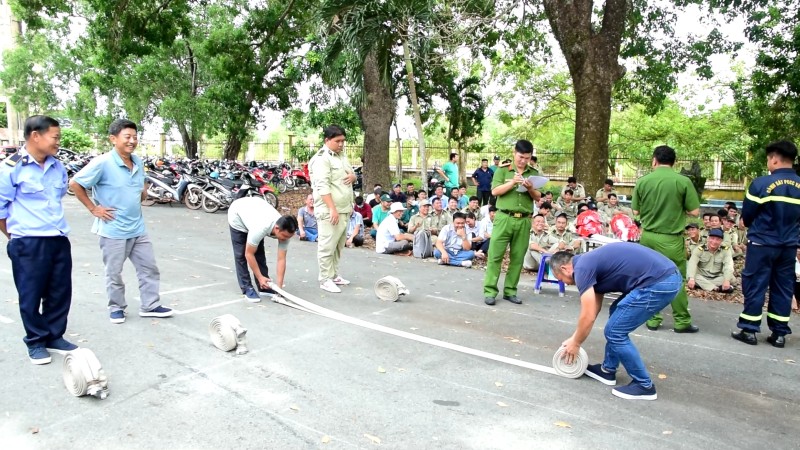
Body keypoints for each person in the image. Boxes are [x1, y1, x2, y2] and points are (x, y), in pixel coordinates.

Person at [71, 118, 174, 324]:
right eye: (127, 137)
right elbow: (75, 184)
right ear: (113, 139)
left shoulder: (137, 161)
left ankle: (150, 305)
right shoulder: (102, 163)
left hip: (137, 228)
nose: (132, 141)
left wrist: (142, 193)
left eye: (135, 137)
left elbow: (141, 186)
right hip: (113, 229)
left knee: (149, 268)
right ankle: (116, 307)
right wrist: (94, 208)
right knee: (114, 273)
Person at [552, 243, 682, 401]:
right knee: (616, 313)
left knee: (615, 331)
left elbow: (587, 315)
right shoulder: (588, 263)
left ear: (565, 268)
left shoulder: (582, 269)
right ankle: (607, 371)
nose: (564, 283)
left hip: (659, 281)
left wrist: (576, 343)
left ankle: (644, 386)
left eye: (561, 279)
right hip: (665, 277)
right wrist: (574, 338)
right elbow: (593, 308)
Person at [0, 115, 77, 364]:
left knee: (60, 291)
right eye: (55, 137)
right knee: (31, 294)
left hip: (58, 238)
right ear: (36, 136)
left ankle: (55, 335)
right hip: (28, 241)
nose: (58, 142)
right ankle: (35, 341)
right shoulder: (11, 168)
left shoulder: (57, 166)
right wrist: (16, 237)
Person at [732, 140, 800, 348]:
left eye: (768, 159)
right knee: (783, 286)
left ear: (775, 158)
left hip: (762, 244)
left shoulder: (761, 184)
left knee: (755, 284)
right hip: (788, 246)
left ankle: (749, 330)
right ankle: (779, 334)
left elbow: (748, 216)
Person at [632, 145, 700, 333]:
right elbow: (694, 211)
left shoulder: (643, 181)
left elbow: (636, 211)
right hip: (671, 239)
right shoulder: (682, 181)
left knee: (649, 277)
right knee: (676, 278)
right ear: (674, 162)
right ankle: (681, 321)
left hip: (648, 237)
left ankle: (653, 319)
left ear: (654, 160)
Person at [483, 139, 541, 306]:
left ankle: (510, 291)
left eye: (527, 157)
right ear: (514, 153)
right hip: (503, 217)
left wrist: (530, 187)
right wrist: (512, 182)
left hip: (524, 219)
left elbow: (538, 197)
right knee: (495, 255)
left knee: (517, 257)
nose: (523, 161)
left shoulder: (533, 173)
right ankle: (490, 291)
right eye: (521, 156)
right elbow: (495, 191)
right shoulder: (503, 170)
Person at [308, 125, 357, 294]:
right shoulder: (322, 159)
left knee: (338, 244)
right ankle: (324, 278)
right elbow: (322, 186)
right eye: (338, 141)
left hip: (344, 208)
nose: (341, 144)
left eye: (343, 141)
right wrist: (332, 209)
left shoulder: (341, 156)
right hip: (329, 209)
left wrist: (353, 176)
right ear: (327, 140)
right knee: (327, 244)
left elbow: (350, 174)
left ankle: (334, 274)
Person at [228, 197, 297, 301]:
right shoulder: (261, 228)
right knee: (242, 254)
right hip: (237, 214)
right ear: (277, 228)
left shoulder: (286, 232)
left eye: (288, 237)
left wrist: (279, 288)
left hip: (256, 212)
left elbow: (281, 259)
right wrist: (260, 277)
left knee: (259, 253)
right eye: (284, 236)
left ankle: (263, 286)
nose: (285, 239)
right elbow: (249, 254)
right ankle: (247, 287)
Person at [687, 228, 735, 293]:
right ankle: (716, 288)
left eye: (717, 240)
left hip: (717, 276)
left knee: (732, 279)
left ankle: (703, 285)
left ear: (721, 241)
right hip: (701, 275)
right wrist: (692, 278)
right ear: (708, 238)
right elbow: (692, 263)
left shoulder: (726, 250)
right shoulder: (699, 249)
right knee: (690, 276)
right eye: (712, 238)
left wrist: (727, 280)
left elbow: (728, 265)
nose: (714, 242)